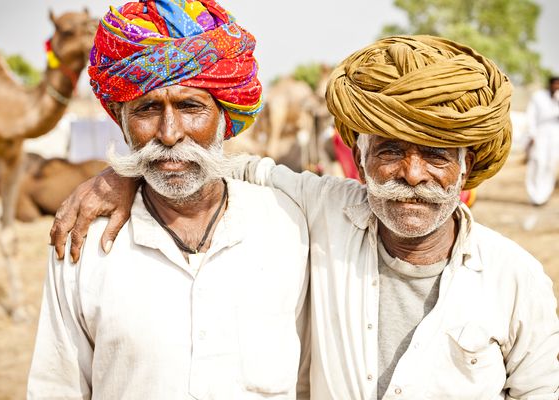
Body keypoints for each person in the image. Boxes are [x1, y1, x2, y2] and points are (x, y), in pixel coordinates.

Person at [52, 36, 559, 398]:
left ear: (467, 167)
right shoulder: (323, 213)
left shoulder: (515, 279)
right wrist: (125, 174)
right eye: (390, 150)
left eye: (438, 156)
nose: (412, 174)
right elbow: (219, 165)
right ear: (357, 159)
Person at [27, 1, 311, 399]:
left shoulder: (288, 227)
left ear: (225, 116)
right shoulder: (83, 245)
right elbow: (56, 388)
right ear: (123, 122)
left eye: (190, 106)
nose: (170, 132)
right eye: (146, 109)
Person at [525, 76, 559, 205]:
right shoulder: (538, 96)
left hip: (556, 136)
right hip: (540, 134)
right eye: (554, 84)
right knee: (537, 162)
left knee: (550, 164)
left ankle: (544, 194)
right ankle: (534, 194)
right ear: (549, 84)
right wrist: (531, 134)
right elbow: (531, 115)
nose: (556, 86)